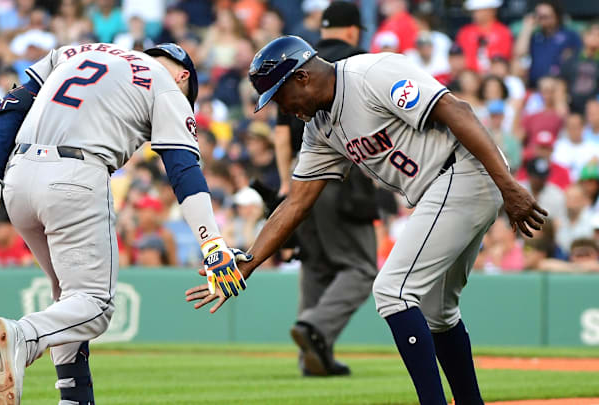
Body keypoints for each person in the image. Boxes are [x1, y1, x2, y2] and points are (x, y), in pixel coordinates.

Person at [186, 36, 547, 405]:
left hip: (464, 171)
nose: (284, 108)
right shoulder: (319, 128)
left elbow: (458, 111)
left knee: (392, 291)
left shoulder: (371, 73)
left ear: (302, 77)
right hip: (441, 190)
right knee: (438, 312)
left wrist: (509, 186)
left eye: (280, 96)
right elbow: (296, 202)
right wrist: (251, 260)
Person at [0, 42, 249, 404]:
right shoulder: (166, 84)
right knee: (95, 306)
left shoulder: (77, 51)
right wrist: (211, 243)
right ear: (183, 75)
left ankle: (74, 398)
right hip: (75, 177)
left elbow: (14, 104)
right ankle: (25, 336)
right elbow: (183, 170)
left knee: (69, 303)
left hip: (17, 177)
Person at [274, 1, 379, 377]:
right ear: (353, 30)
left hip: (300, 178)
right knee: (361, 267)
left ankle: (313, 357)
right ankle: (315, 330)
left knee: (316, 266)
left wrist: (290, 186)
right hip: (343, 178)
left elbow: (282, 134)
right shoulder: (354, 63)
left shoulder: (297, 67)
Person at [514, 0, 581, 88]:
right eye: (539, 16)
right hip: (535, 86)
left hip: (559, 87)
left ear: (556, 16)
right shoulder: (535, 37)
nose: (541, 20)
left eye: (545, 16)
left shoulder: (570, 36)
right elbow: (520, 54)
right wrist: (527, 28)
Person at [456, 0, 512, 74]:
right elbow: (460, 58)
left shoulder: (503, 31)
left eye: (479, 10)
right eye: (474, 11)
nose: (475, 14)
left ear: (491, 11)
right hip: (470, 75)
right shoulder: (465, 32)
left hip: (495, 76)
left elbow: (504, 58)